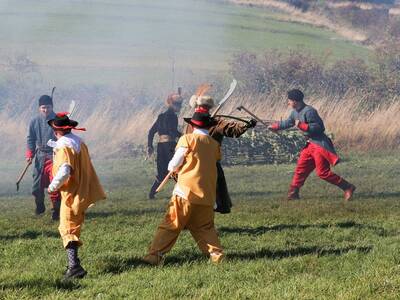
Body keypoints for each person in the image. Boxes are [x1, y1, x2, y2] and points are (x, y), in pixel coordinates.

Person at [144, 110, 224, 265]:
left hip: (185, 193)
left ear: (192, 125)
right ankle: (217, 255)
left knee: (171, 225)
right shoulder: (214, 145)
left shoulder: (187, 139)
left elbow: (173, 164)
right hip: (206, 195)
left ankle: (154, 256)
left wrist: (175, 169)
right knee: (205, 227)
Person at [47, 112, 106, 280]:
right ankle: (74, 264)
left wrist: (53, 186)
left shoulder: (64, 146)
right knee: (72, 227)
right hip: (81, 190)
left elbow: (66, 169)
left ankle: (74, 267)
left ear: (56, 130)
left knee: (68, 228)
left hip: (71, 194)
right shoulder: (78, 141)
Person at [268, 89, 356, 200]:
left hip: (319, 145)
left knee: (322, 173)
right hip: (309, 145)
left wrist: (302, 125)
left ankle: (348, 187)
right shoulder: (294, 112)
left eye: (289, 100)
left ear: (295, 101)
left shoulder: (310, 111)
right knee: (301, 169)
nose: (288, 103)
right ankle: (293, 194)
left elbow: (319, 128)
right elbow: (288, 122)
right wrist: (275, 126)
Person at [188, 94, 257, 213]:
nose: (202, 110)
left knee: (213, 192)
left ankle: (207, 215)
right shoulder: (192, 122)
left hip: (210, 163)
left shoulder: (216, 122)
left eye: (204, 107)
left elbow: (232, 129)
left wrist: (245, 125)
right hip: (192, 162)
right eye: (200, 107)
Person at [26, 94, 61, 220]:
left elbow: (65, 138)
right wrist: (30, 154)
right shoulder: (34, 121)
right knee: (36, 186)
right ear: (39, 108)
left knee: (55, 184)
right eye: (43, 108)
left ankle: (56, 210)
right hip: (40, 157)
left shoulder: (59, 120)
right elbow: (30, 138)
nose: (46, 110)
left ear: (52, 107)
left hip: (55, 156)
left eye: (48, 107)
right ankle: (39, 206)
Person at [147, 93, 183, 199]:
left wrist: (150, 145)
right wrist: (184, 136)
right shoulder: (173, 117)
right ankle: (183, 192)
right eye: (178, 104)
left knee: (162, 172)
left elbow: (151, 132)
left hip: (160, 147)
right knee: (177, 169)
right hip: (170, 146)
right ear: (172, 104)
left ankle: (151, 194)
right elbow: (172, 132)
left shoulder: (160, 116)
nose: (179, 107)